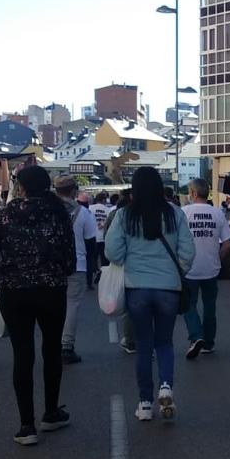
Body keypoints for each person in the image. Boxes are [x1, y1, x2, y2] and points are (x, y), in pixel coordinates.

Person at [0, 166, 76, 446]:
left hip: (15, 291)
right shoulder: (58, 214)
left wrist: (5, 271)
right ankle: (50, 411)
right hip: (51, 289)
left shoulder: (5, 216)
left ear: (20, 187)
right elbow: (69, 258)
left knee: (22, 354)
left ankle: (26, 425)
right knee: (51, 349)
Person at [105, 167, 194, 421]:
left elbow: (112, 251)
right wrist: (177, 272)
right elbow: (188, 252)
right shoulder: (174, 213)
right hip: (168, 288)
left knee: (144, 346)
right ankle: (166, 386)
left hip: (137, 288)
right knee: (165, 343)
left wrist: (128, 263)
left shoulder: (124, 216)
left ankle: (144, 403)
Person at [181, 178, 230, 358]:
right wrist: (217, 259)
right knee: (210, 306)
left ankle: (196, 336)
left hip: (189, 268)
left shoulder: (184, 213)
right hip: (211, 268)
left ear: (193, 193)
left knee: (189, 305)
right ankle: (208, 342)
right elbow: (227, 244)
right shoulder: (218, 213)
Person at [54, 176, 98, 364]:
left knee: (53, 307)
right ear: (73, 191)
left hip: (50, 266)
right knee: (71, 306)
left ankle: (52, 344)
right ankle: (66, 346)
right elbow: (91, 243)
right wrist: (92, 269)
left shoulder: (48, 212)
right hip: (76, 265)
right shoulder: (84, 214)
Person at [105, 191, 137, 354]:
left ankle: (130, 340)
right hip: (161, 274)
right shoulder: (167, 212)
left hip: (126, 266)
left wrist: (116, 260)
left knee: (129, 305)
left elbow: (109, 243)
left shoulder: (117, 214)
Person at [89, 192, 112, 285]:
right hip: (103, 238)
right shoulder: (108, 210)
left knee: (92, 258)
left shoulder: (90, 208)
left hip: (92, 237)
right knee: (104, 260)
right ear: (103, 200)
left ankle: (92, 275)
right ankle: (103, 277)